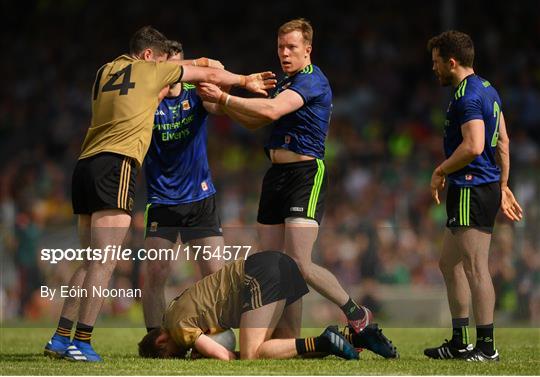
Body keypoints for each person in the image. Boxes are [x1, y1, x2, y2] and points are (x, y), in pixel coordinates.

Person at [43, 25, 276, 362]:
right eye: (163, 62)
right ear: (150, 57)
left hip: (86, 165)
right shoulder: (151, 77)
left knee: (92, 257)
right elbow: (199, 68)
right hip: (120, 167)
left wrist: (208, 73)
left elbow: (198, 70)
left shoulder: (106, 70)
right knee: (105, 261)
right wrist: (245, 81)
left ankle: (61, 337)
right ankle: (83, 341)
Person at [197, 18, 372, 335]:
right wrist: (215, 100)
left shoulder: (311, 80)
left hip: (305, 174)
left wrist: (224, 99)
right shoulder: (285, 83)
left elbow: (270, 112)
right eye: (280, 47)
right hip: (276, 176)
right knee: (273, 265)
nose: (284, 53)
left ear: (308, 49)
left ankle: (357, 313)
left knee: (298, 263)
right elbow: (253, 120)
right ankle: (287, 337)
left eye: (291, 47)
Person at [424, 30, 523, 362]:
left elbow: (475, 145)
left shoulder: (466, 95)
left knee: (475, 267)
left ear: (452, 62)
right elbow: (504, 141)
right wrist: (504, 185)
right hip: (482, 186)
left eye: (437, 63)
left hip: (470, 186)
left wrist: (440, 171)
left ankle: (487, 347)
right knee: (448, 263)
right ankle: (459, 341)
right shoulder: (488, 89)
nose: (434, 69)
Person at [138, 250, 397, 360]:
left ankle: (325, 340)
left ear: (161, 342)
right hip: (278, 263)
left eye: (175, 355)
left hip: (257, 275)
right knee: (287, 346)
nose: (182, 354)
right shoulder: (173, 308)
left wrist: (205, 356)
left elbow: (225, 356)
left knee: (253, 354)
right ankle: (354, 340)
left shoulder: (178, 328)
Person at [142, 40, 226, 333]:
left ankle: (215, 333)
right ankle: (155, 338)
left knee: (214, 273)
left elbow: (217, 106)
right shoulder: (148, 97)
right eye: (170, 67)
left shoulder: (195, 92)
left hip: (200, 197)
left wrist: (216, 89)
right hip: (161, 199)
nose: (177, 73)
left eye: (182, 67)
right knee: (155, 272)